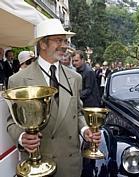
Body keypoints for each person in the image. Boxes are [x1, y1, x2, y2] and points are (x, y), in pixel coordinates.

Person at [6, 19, 101, 177]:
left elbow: (77, 112)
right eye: (58, 40)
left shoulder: (75, 77)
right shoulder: (18, 80)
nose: (64, 45)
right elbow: (11, 122)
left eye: (65, 40)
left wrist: (85, 131)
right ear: (43, 44)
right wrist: (22, 138)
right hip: (37, 165)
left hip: (71, 165)